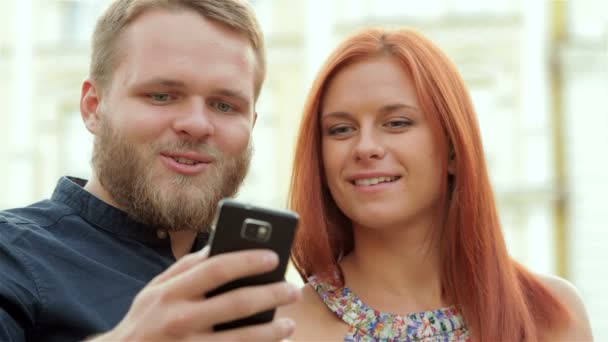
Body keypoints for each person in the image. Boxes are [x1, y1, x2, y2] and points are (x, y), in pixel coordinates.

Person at [0, 0, 301, 341]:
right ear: (93, 107)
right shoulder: (10, 254)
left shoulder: (260, 291)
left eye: (224, 105)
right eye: (161, 96)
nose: (197, 124)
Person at [278, 28, 593, 341]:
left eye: (397, 123)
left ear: (454, 149)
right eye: (341, 129)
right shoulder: (282, 328)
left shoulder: (551, 315)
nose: (365, 147)